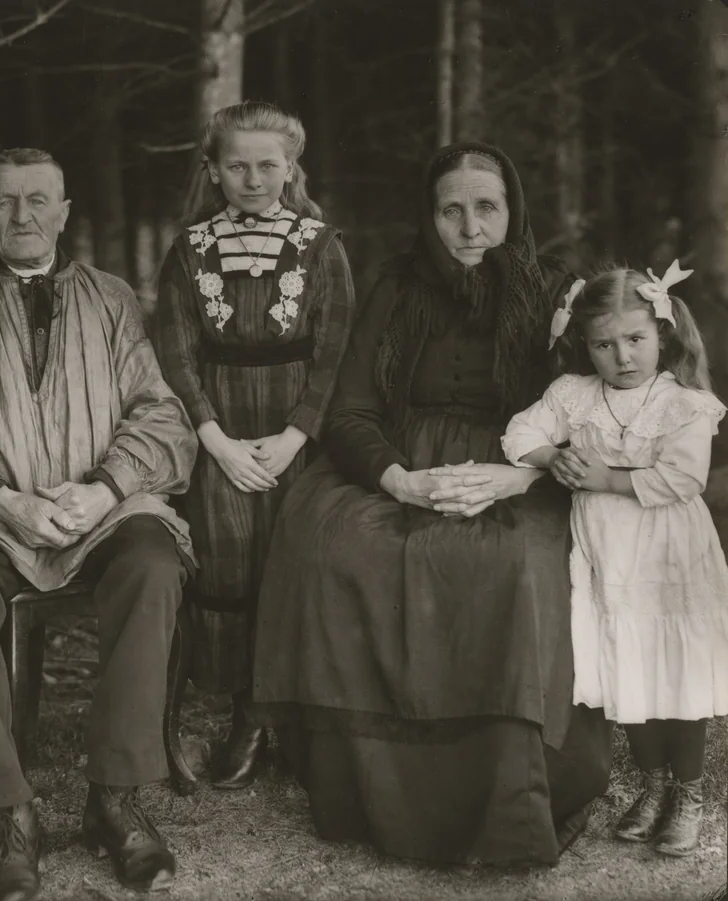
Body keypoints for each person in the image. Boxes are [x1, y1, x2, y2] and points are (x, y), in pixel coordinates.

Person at [251, 141, 614, 865]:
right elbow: (351, 411)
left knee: (512, 560)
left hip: (520, 466)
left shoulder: (556, 291)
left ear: (512, 211)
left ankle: (510, 794)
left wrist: (521, 475)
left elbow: (586, 406)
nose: (470, 227)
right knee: (333, 543)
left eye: (486, 208)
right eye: (452, 211)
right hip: (400, 458)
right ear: (431, 216)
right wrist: (398, 480)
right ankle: (362, 788)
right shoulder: (395, 287)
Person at [0, 148, 197, 901]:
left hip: (99, 509)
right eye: (4, 201)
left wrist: (104, 488)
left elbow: (160, 413)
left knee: (154, 560)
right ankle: (6, 811)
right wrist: (0, 497)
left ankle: (115, 799)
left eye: (38, 201)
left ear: (64, 212)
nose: (22, 216)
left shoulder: (113, 298)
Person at [154, 101, 355, 788]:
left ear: (291, 167)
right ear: (212, 169)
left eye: (268, 164)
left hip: (298, 426)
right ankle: (247, 709)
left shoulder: (321, 245)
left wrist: (297, 433)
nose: (253, 177)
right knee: (229, 560)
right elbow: (176, 353)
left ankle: (295, 709)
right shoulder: (190, 248)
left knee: (297, 560)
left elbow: (334, 351)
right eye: (236, 164)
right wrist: (216, 441)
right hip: (220, 428)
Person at [503, 262, 728, 857]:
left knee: (675, 669)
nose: (622, 357)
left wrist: (602, 475)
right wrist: (553, 455)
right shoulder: (574, 395)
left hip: (668, 552)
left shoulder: (684, 403)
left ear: (663, 335)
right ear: (585, 344)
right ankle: (651, 788)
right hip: (609, 555)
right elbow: (519, 432)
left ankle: (689, 793)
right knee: (628, 663)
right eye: (604, 344)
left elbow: (684, 477)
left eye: (636, 340)